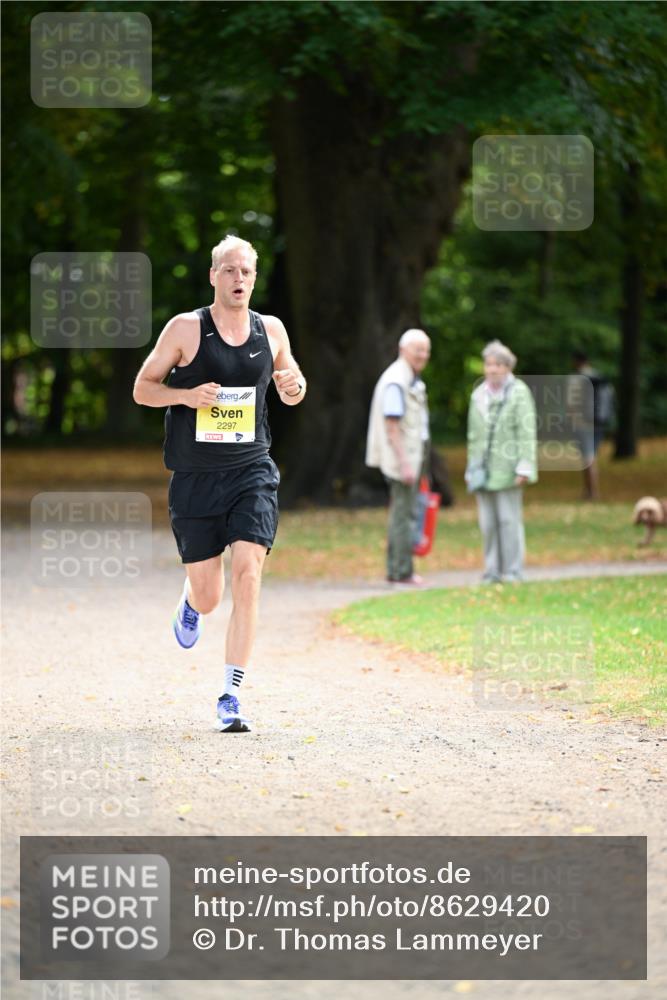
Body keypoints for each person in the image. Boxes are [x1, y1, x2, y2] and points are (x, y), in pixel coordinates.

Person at [133, 235, 306, 732]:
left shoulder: (270, 330)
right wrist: (186, 397)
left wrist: (295, 386)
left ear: (255, 278)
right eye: (229, 271)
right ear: (213, 276)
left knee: (249, 573)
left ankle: (231, 694)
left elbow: (291, 385)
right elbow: (143, 389)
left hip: (251, 469)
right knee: (210, 595)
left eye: (246, 272)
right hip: (195, 478)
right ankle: (191, 603)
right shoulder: (187, 329)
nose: (238, 280)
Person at [465, 340, 537, 583]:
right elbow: (473, 436)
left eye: (498, 364)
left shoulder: (519, 393)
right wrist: (471, 467)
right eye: (488, 364)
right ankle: (492, 570)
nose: (492, 369)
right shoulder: (478, 395)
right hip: (483, 470)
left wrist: (524, 465)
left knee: (508, 520)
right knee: (487, 523)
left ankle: (513, 571)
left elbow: (526, 432)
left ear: (508, 367)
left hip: (509, 468)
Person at [366, 329, 431, 585]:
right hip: (402, 460)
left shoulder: (408, 377)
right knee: (403, 515)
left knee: (403, 513)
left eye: (426, 350)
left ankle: (398, 569)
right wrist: (405, 463)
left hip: (409, 457)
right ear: (403, 349)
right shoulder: (396, 380)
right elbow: (392, 426)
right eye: (418, 350)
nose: (423, 355)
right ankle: (401, 571)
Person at [571, 350, 615, 500]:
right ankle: (588, 492)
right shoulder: (600, 377)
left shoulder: (577, 378)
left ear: (576, 361)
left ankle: (593, 493)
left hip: (584, 422)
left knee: (588, 457)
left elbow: (571, 403)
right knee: (591, 455)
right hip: (599, 421)